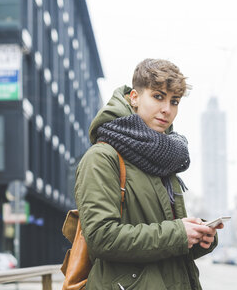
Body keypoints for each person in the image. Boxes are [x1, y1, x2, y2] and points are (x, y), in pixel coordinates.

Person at [74, 59, 223, 289]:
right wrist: (178, 233)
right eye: (158, 96)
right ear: (134, 97)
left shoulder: (164, 157)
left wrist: (198, 237)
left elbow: (164, 246)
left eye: (174, 101)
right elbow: (101, 238)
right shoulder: (102, 157)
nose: (167, 109)